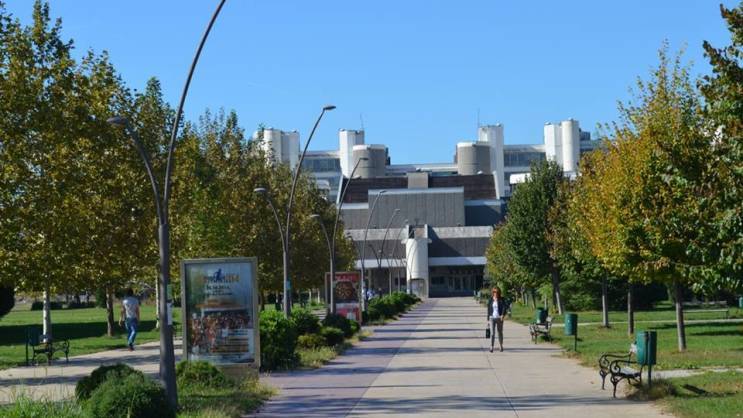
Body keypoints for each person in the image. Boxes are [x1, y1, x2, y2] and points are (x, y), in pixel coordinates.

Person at [486, 287, 508, 352]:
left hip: (499, 318)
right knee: (492, 333)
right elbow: (488, 309)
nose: (495, 293)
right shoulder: (490, 299)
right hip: (492, 318)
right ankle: (491, 346)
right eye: (494, 292)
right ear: (492, 292)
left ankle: (501, 346)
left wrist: (502, 315)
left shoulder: (501, 299)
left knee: (500, 332)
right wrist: (488, 319)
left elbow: (504, 307)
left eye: (497, 292)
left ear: (499, 293)